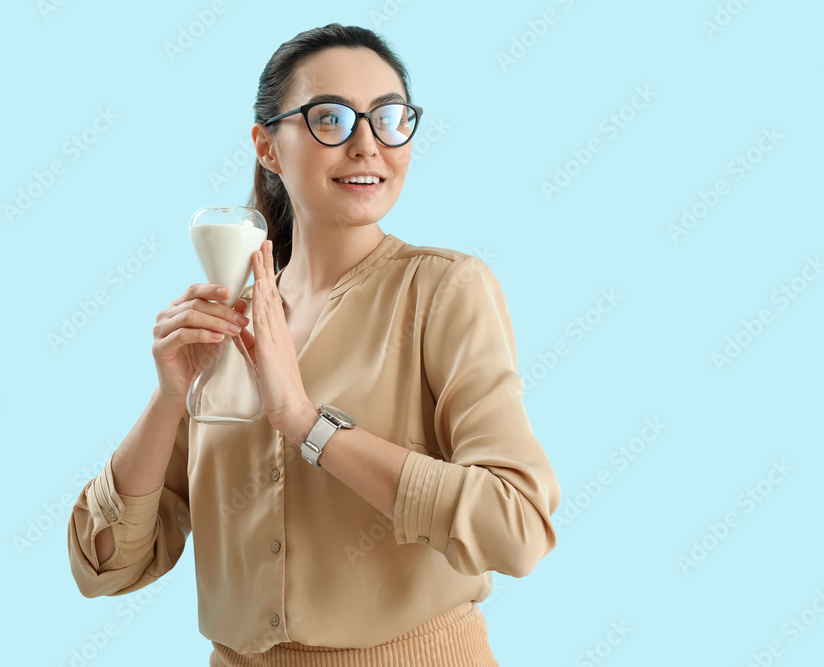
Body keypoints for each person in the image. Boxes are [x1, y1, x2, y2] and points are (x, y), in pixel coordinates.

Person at [67, 23, 561, 667]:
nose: (366, 145)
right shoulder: (229, 321)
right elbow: (104, 566)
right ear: (267, 146)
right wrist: (170, 399)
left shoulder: (446, 290)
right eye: (330, 118)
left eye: (389, 117)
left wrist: (306, 424)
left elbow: (516, 528)